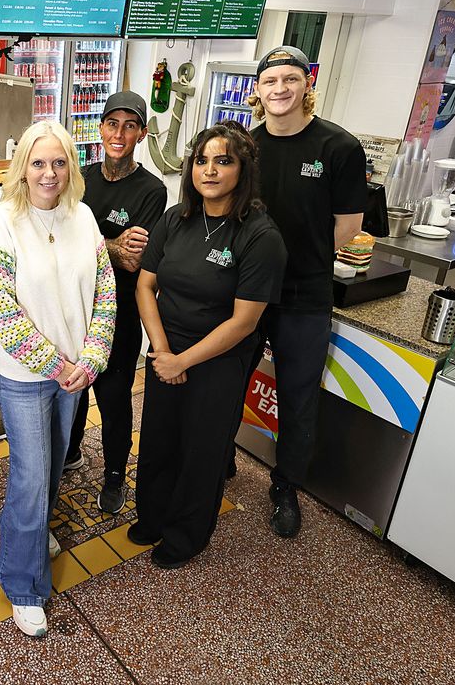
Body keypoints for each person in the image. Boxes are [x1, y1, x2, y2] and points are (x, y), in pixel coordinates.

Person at [0, 121, 116, 637]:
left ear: (70, 167)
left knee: (54, 465)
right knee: (31, 478)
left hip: (75, 375)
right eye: (38, 162)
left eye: (59, 162)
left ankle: (34, 536)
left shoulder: (83, 217)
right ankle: (23, 585)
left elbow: (105, 292)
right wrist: (58, 365)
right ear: (22, 168)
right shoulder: (2, 220)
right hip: (26, 375)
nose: (49, 173)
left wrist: (93, 357)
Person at [131, 123, 287, 568]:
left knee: (201, 449)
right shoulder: (175, 219)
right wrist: (163, 354)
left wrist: (183, 359)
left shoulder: (260, 236)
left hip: (219, 358)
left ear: (243, 169)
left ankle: (185, 534)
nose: (210, 170)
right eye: (202, 160)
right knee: (159, 439)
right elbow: (146, 286)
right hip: (166, 351)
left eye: (224, 161)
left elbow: (243, 322)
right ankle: (153, 517)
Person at [247, 45, 366, 538]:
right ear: (257, 89)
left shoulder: (338, 148)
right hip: (246, 292)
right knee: (229, 379)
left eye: (290, 79)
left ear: (307, 85)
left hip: (304, 295)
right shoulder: (245, 146)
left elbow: (349, 223)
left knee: (297, 396)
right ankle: (218, 462)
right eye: (271, 80)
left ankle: (285, 486)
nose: (280, 89)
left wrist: (297, 262)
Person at [62, 91, 167, 514]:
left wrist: (86, 246)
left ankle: (114, 475)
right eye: (112, 123)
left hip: (120, 315)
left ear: (141, 133)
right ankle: (70, 452)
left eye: (129, 125)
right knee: (71, 389)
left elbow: (135, 257)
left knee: (114, 396)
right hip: (74, 309)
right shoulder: (79, 178)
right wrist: (108, 246)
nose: (118, 133)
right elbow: (67, 244)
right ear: (100, 128)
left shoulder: (152, 190)